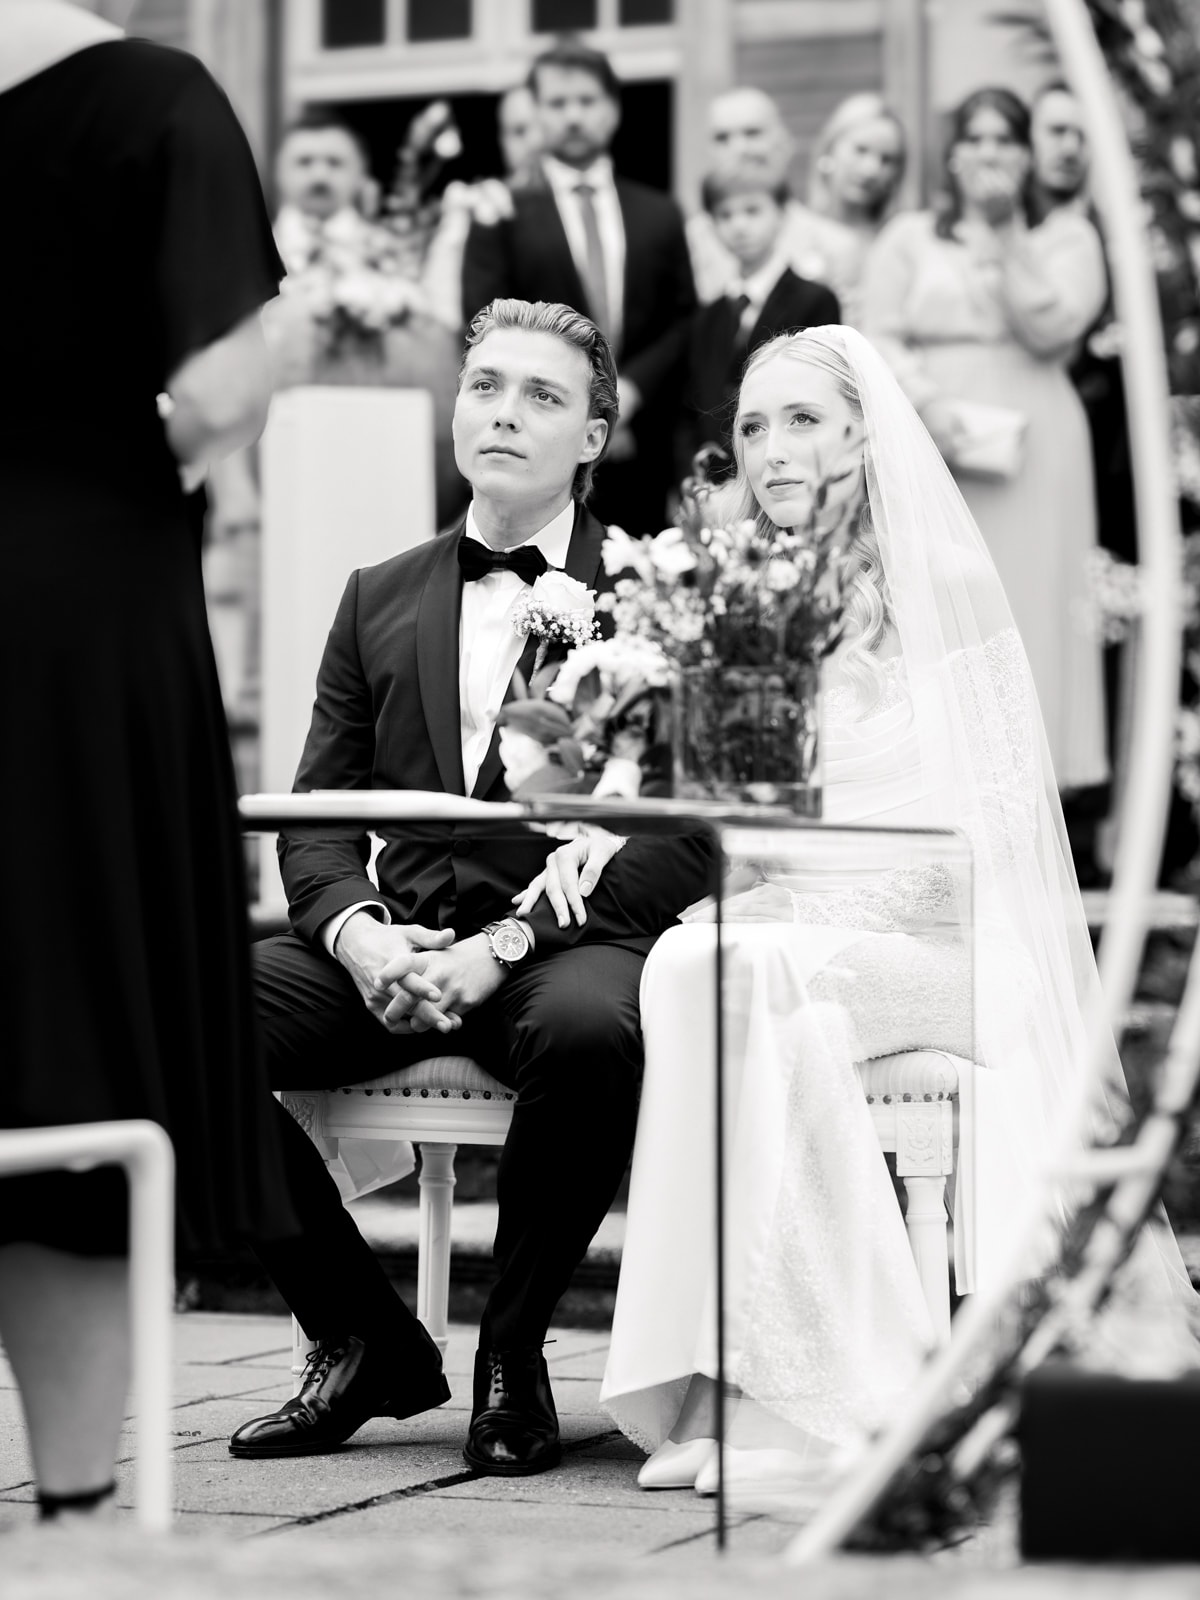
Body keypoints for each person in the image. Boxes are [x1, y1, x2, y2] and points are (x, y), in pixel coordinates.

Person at [516, 326, 1196, 1500]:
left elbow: (986, 841)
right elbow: (735, 816)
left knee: (725, 966)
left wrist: (794, 909)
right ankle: (736, 1376)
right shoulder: (738, 598)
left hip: (953, 949)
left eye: (803, 421)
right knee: (698, 961)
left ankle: (784, 1394)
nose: (773, 449)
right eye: (753, 427)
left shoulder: (948, 582)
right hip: (801, 946)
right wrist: (599, 813)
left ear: (861, 432)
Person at [229, 298, 714, 1478]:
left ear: (595, 436)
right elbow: (317, 812)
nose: (504, 412)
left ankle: (514, 1351)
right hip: (394, 944)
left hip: (562, 941)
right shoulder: (375, 592)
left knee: (600, 1026)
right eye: (486, 385)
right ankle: (362, 1334)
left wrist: (495, 944)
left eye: (543, 396)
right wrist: (360, 938)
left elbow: (684, 839)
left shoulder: (662, 591)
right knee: (184, 1011)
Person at [0, 0, 297, 1524]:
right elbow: (218, 391)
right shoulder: (156, 101)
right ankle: (68, 1503)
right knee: (67, 1041)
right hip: (69, 621)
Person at [861, 87, 1108, 795]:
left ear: (1028, 154)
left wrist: (1007, 238)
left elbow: (1055, 326)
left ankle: (1040, 788)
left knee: (1032, 608)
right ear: (953, 152)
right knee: (940, 606)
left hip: (1040, 442)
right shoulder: (910, 235)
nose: (991, 152)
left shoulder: (1067, 237)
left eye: (1007, 138)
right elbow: (879, 332)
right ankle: (937, 780)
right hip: (932, 438)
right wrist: (929, 410)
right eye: (976, 137)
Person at [462, 36, 697, 535]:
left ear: (612, 110)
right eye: (557, 103)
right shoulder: (500, 214)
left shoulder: (659, 213)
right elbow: (484, 321)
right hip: (537, 450)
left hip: (644, 452)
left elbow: (682, 320)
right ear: (537, 112)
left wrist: (628, 390)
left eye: (587, 101)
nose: (573, 116)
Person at [677, 167, 840, 482]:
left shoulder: (815, 300)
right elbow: (688, 405)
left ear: (781, 213)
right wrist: (690, 476)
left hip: (784, 472)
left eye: (753, 211)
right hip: (713, 482)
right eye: (725, 215)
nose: (739, 226)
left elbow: (820, 396)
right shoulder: (707, 317)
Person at [686, 88, 876, 320]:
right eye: (722, 138)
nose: (739, 149)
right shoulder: (688, 243)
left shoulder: (835, 246)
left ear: (785, 142)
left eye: (752, 133)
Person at [806, 92, 908, 327]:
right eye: (861, 150)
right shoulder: (794, 229)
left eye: (887, 159)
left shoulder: (899, 238)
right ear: (829, 148)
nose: (872, 169)